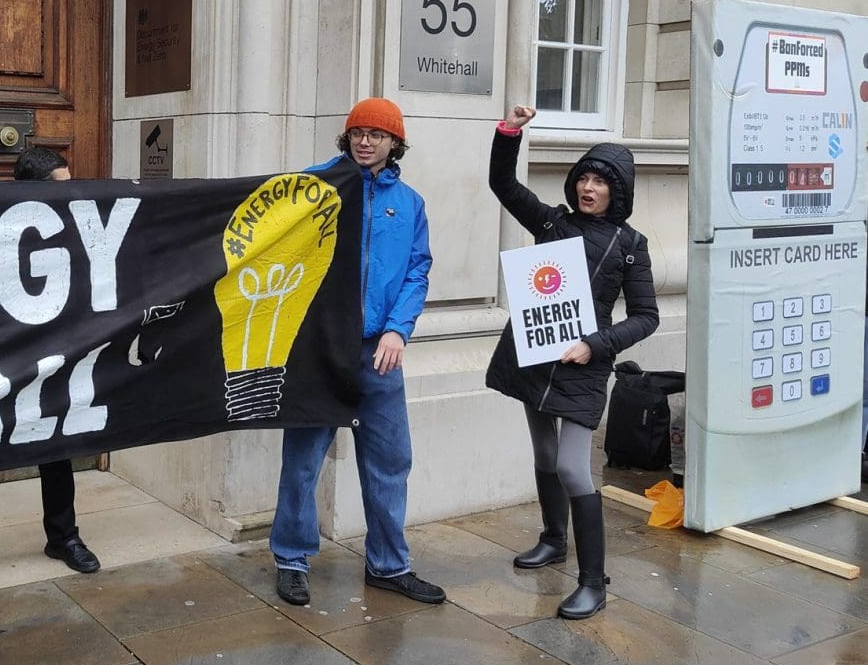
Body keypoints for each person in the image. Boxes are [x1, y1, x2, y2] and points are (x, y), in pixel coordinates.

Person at [486, 104, 659, 620]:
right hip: (536, 356)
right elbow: (503, 184)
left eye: (600, 182)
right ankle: (553, 539)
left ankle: (592, 582)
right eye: (583, 177)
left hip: (584, 365)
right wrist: (509, 133)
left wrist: (596, 345)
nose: (589, 187)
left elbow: (647, 317)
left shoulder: (631, 246)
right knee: (543, 455)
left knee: (571, 467)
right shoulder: (551, 222)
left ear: (618, 192)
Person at [270, 98, 443, 607]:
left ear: (395, 143)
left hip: (378, 354)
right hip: (322, 350)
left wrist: (398, 331)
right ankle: (291, 559)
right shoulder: (313, 186)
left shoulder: (409, 203)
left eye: (377, 134)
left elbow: (417, 271)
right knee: (303, 460)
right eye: (357, 132)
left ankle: (389, 565)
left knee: (390, 460)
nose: (365, 141)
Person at [0, 147, 99, 598]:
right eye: (61, 184)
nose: (71, 192)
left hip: (51, 358)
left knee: (57, 449)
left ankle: (63, 538)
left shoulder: (72, 230)